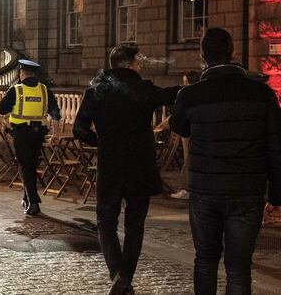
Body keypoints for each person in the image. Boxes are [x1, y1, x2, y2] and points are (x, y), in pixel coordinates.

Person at [169, 28, 281, 294]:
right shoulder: (261, 93)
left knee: (206, 260)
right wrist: (276, 195)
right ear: (233, 53)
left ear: (202, 56)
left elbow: (179, 126)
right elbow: (276, 147)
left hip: (205, 189)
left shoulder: (191, 94)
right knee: (239, 267)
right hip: (247, 189)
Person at [73, 46, 180, 295]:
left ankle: (117, 274)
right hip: (139, 166)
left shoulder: (96, 91)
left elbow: (79, 129)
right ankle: (124, 278)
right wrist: (193, 86)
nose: (141, 64)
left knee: (105, 222)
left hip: (110, 165)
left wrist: (101, 141)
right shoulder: (143, 89)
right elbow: (170, 96)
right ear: (130, 64)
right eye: (139, 60)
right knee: (135, 226)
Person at [0, 59, 60, 216]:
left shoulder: (16, 90)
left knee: (25, 166)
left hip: (21, 134)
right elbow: (56, 112)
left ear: (22, 73)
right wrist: (56, 133)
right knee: (30, 165)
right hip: (39, 134)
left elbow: (1, 108)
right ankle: (27, 196)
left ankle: (33, 201)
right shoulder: (45, 90)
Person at [169, 70, 200, 200]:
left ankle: (186, 188)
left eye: (185, 81)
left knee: (188, 159)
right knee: (189, 159)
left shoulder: (188, 95)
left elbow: (176, 118)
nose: (184, 84)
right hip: (193, 132)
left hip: (190, 133)